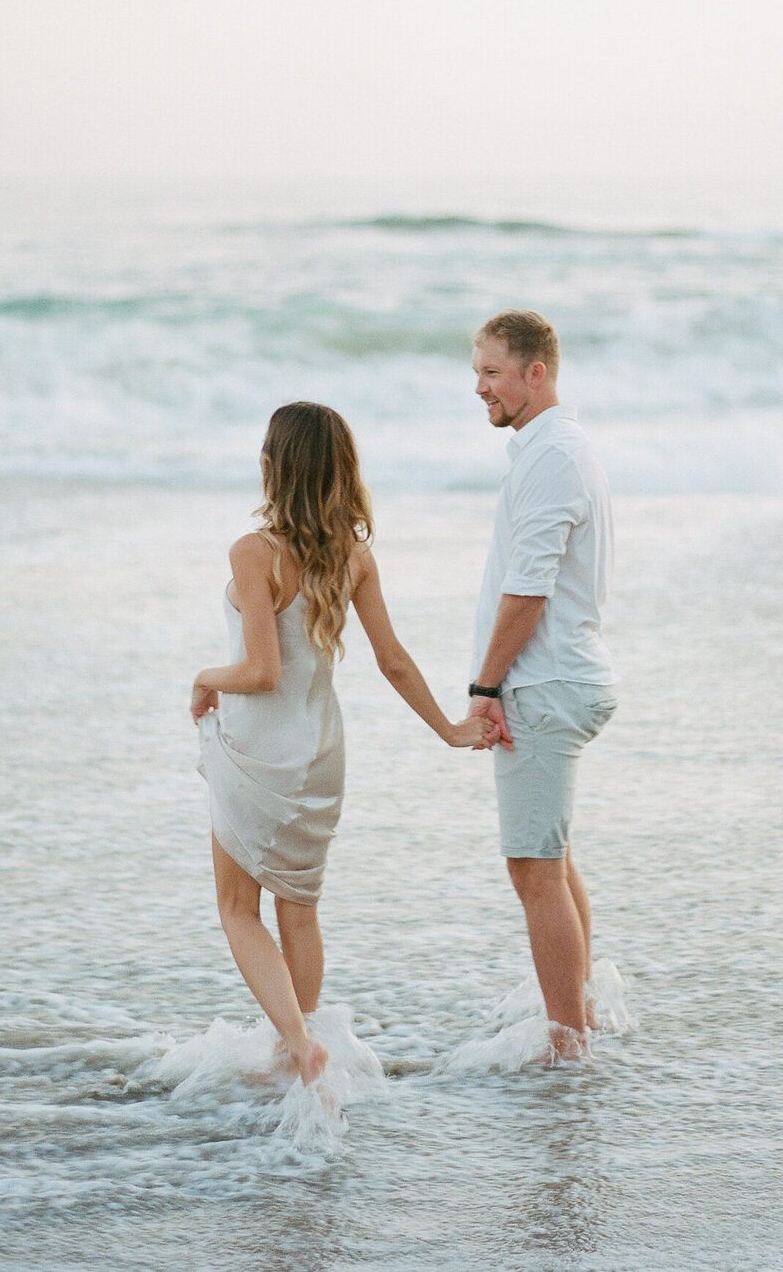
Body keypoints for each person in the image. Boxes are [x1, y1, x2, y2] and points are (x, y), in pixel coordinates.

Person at [192, 402, 490, 1085]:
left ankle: (297, 1044)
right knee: (300, 912)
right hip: (322, 756)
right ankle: (296, 1054)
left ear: (272, 466)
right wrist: (449, 728)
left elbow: (259, 672)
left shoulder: (253, 552)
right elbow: (394, 660)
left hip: (256, 753)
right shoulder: (354, 556)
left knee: (239, 909)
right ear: (340, 473)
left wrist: (203, 677)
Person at [468, 310, 617, 1059]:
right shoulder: (553, 448)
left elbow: (527, 592)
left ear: (538, 372)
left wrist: (485, 688)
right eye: (477, 373)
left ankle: (569, 1045)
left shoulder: (552, 456)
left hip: (545, 682)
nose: (479, 387)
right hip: (559, 677)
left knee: (532, 867)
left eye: (492, 372)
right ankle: (581, 1013)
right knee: (549, 861)